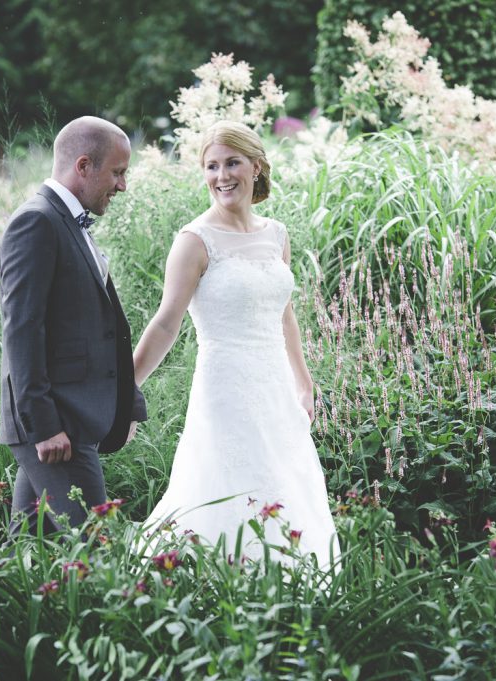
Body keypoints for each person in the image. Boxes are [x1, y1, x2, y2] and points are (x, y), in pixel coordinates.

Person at [133, 121, 338, 568]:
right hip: (225, 386)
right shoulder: (194, 241)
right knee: (227, 485)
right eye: (211, 166)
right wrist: (126, 388)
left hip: (276, 389)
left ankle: (292, 585)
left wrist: (303, 382)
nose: (222, 176)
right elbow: (166, 323)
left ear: (256, 166)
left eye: (232, 163)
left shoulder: (276, 234)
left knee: (286, 482)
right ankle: (216, 584)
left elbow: (284, 313)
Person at [0, 116, 147, 535]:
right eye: (117, 173)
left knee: (28, 548)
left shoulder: (68, 220)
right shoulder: (37, 222)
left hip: (71, 418)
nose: (122, 186)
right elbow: (22, 332)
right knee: (95, 547)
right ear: (83, 166)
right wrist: (44, 427)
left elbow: (101, 327)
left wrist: (125, 401)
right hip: (55, 424)